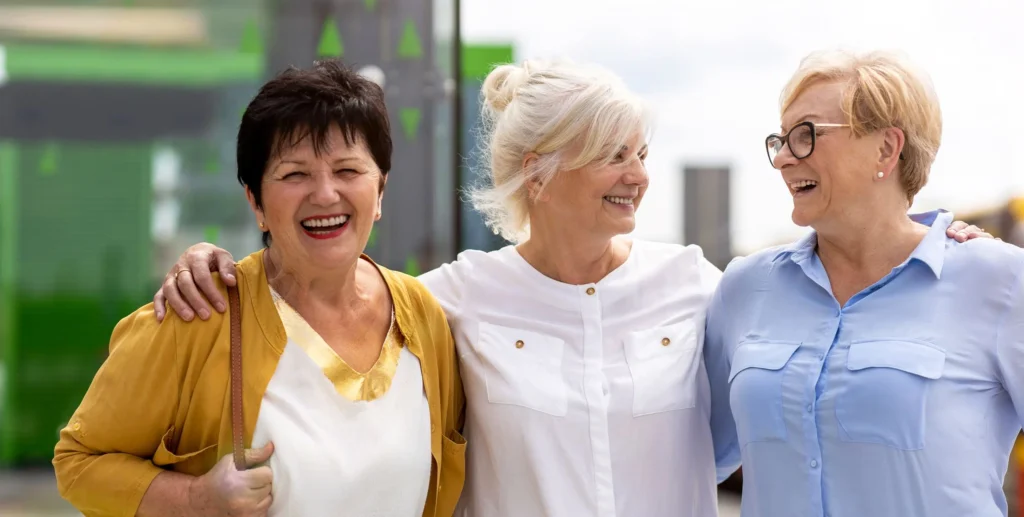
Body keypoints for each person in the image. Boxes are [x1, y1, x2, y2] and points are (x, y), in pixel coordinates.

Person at [153, 58, 990, 516]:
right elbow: (324, 291)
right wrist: (212, 259)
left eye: (641, 153)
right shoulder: (443, 300)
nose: (638, 176)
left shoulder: (707, 287)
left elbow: (769, 417)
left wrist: (946, 243)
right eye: (613, 154)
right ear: (537, 172)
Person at [52, 59, 465, 517]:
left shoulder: (423, 316)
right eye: (295, 174)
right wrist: (194, 500)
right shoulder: (199, 313)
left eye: (348, 170)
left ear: (381, 190)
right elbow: (79, 462)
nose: (325, 194)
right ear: (256, 201)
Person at [703, 49, 1024, 517]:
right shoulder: (743, 287)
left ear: (887, 148)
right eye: (781, 140)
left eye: (806, 136)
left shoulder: (1000, 281)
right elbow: (690, 454)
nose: (783, 160)